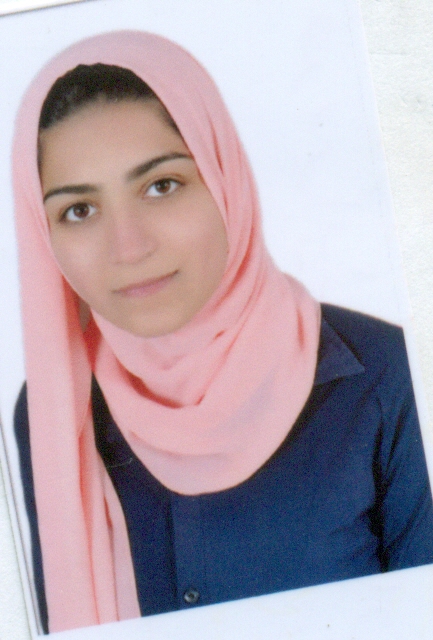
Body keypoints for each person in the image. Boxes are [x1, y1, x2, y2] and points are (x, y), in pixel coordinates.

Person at [11, 30, 433, 634]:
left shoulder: (391, 377)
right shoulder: (53, 413)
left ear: (224, 178)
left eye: (161, 185)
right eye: (79, 210)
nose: (128, 247)